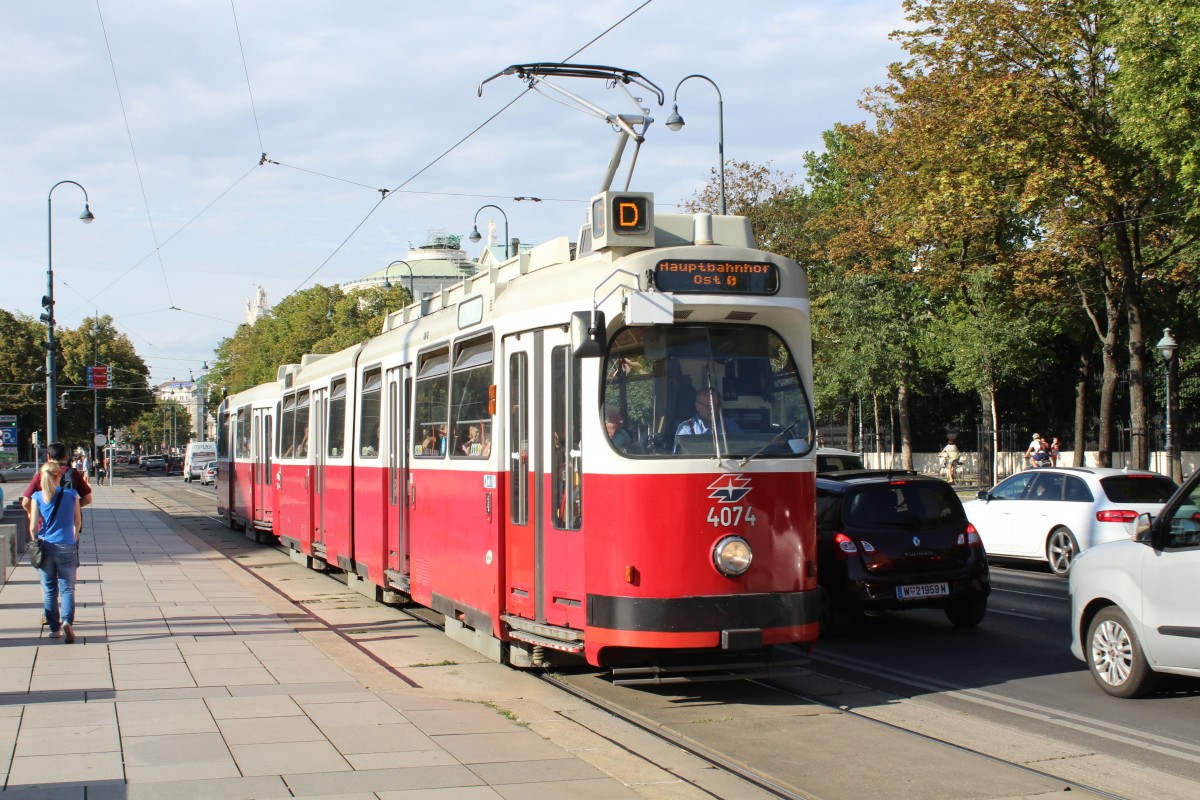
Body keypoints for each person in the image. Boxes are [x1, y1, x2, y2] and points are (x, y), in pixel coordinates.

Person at [28, 459, 83, 643]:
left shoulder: (37, 497)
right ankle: (67, 621)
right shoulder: (72, 494)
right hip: (67, 545)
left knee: (49, 590)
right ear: (59, 475)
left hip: (46, 546)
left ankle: (54, 629)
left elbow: (33, 527)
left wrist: (36, 541)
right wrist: (73, 537)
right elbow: (77, 521)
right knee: (68, 588)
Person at [22, 442, 93, 517]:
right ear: (65, 457)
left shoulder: (41, 474)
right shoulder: (73, 473)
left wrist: (33, 514)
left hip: (46, 520)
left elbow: (25, 503)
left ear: (48, 456)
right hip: (69, 519)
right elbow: (87, 499)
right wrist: (71, 506)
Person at [674, 391, 741, 451]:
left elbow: (742, 448)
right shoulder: (686, 428)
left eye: (716, 405)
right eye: (708, 406)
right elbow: (679, 457)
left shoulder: (729, 424)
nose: (714, 409)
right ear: (697, 406)